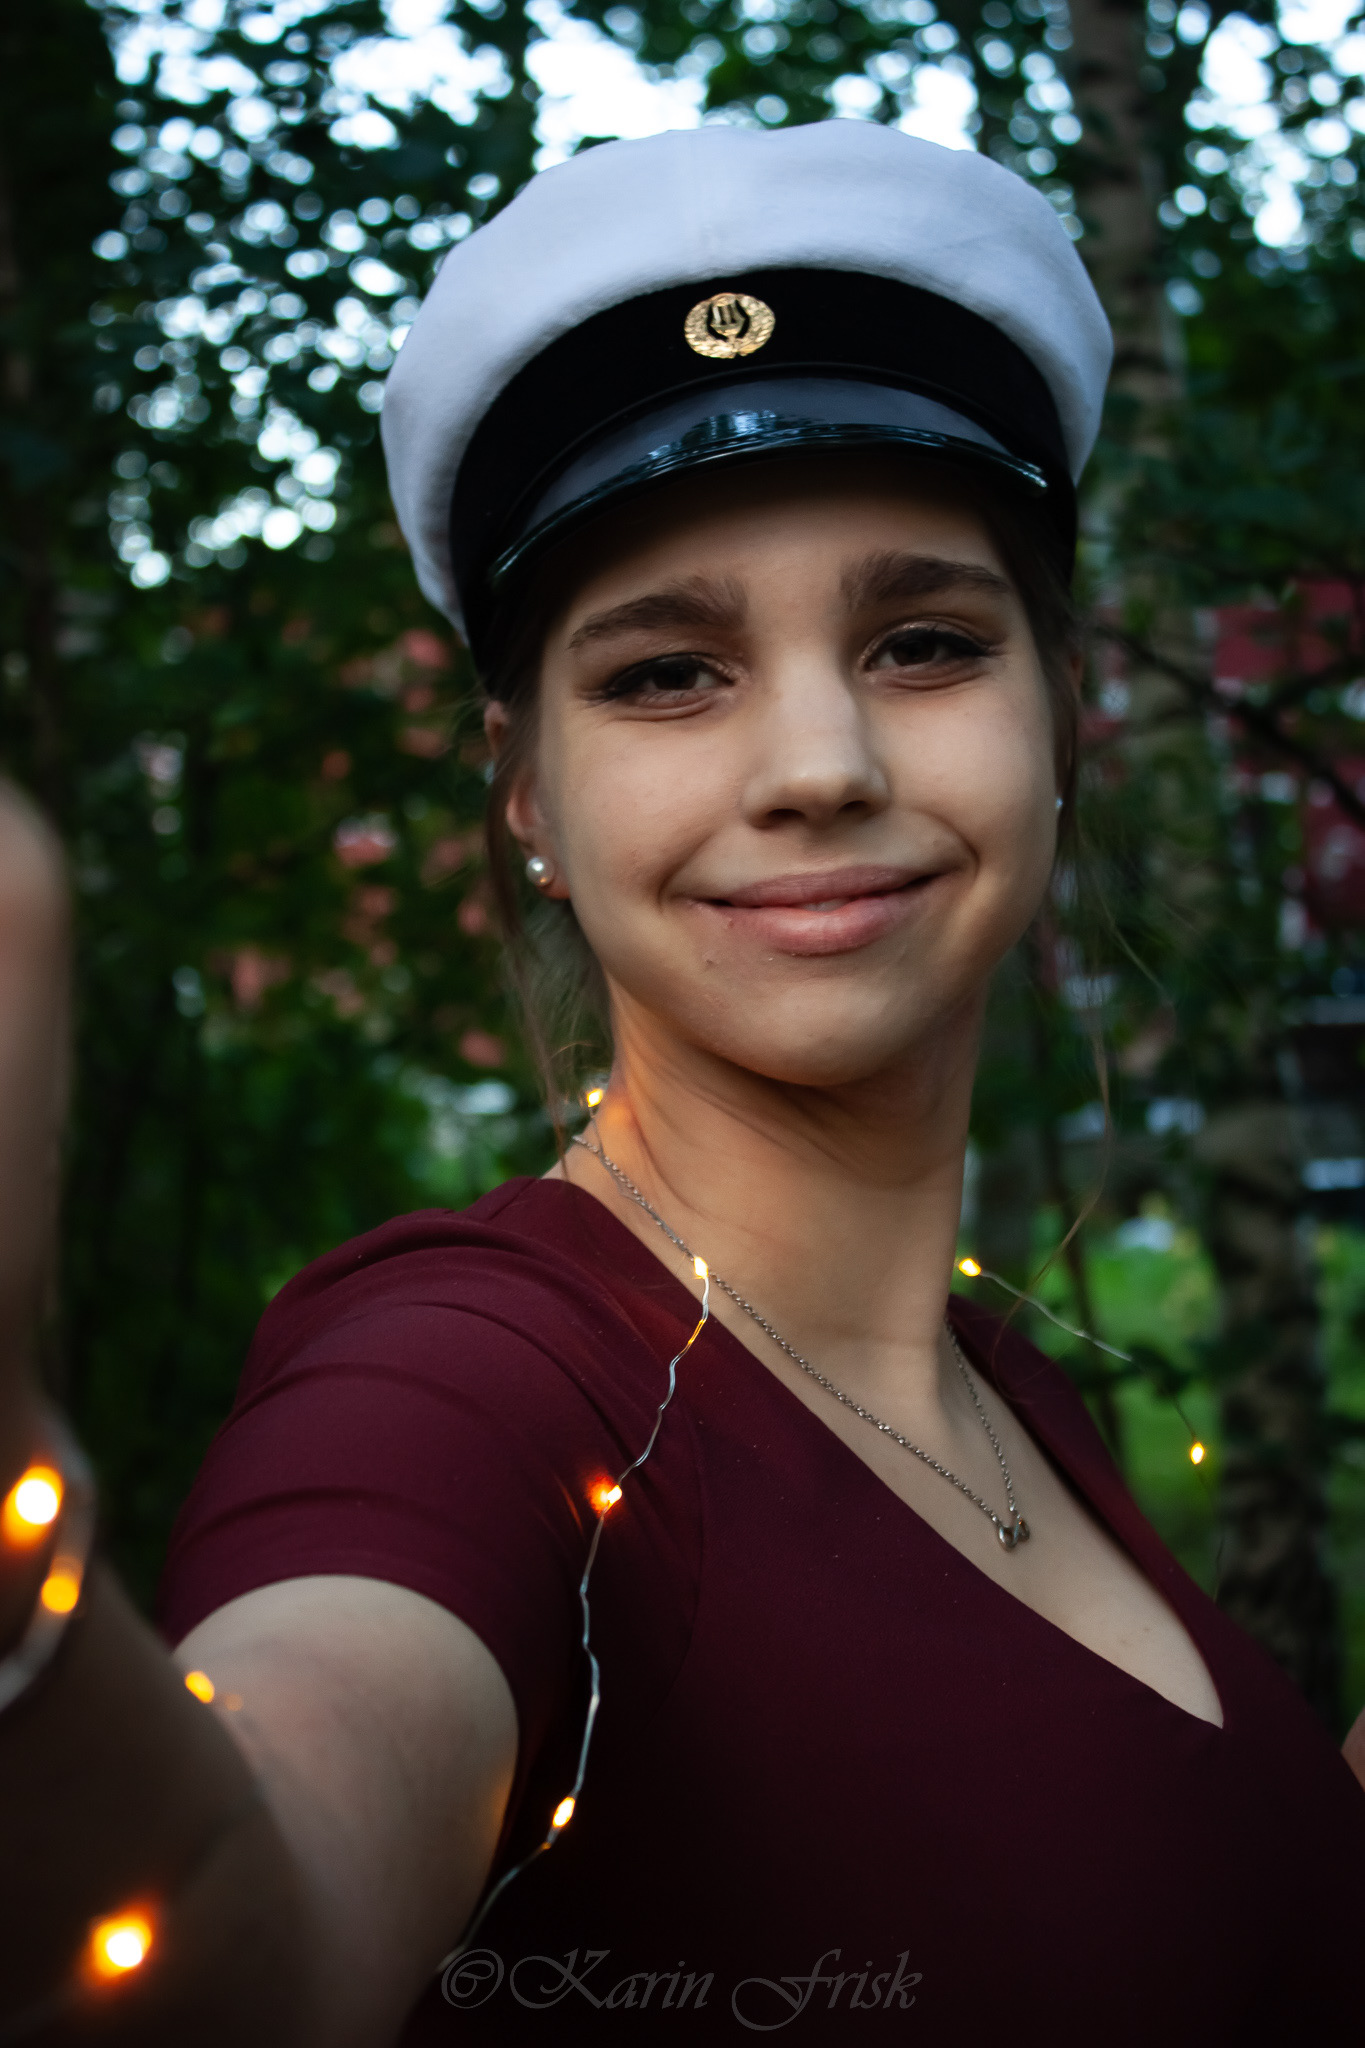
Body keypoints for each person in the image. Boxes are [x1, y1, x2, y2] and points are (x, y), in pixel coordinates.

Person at [1, 120, 1362, 2048]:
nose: (818, 763)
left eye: (921, 644)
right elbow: (242, 1930)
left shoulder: (1008, 1393)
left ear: (1058, 720)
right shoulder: (466, 1377)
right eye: (664, 674)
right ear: (526, 797)